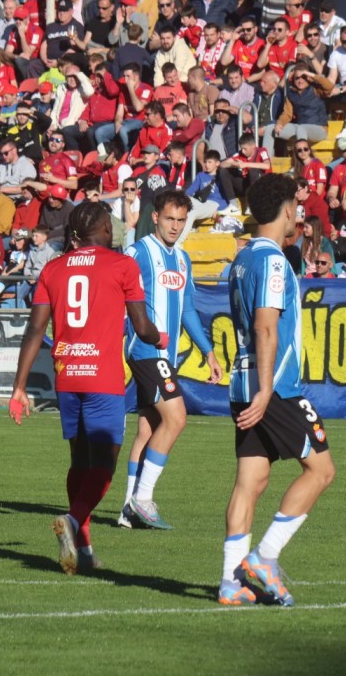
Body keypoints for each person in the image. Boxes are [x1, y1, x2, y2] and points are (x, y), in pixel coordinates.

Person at [8, 201, 163, 576]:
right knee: (105, 466)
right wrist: (159, 337)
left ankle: (85, 550)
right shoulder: (123, 264)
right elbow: (142, 326)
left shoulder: (53, 268)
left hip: (68, 377)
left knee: (79, 463)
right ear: (105, 230)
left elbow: (34, 330)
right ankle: (74, 520)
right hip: (103, 379)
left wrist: (19, 387)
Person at [219, 174, 335, 607]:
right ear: (287, 209)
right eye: (296, 206)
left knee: (250, 481)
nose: (299, 213)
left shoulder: (243, 258)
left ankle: (231, 582)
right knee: (321, 471)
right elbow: (266, 327)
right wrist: (268, 391)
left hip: (242, 380)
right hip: (276, 386)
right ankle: (264, 558)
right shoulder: (271, 260)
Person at [120, 190, 223, 530]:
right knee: (177, 417)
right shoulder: (137, 252)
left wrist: (208, 351)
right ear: (155, 217)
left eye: (181, 220)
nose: (175, 226)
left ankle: (127, 510)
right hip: (146, 349)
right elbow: (118, 299)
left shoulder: (182, 259)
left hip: (168, 355)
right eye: (169, 219)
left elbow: (189, 310)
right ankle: (143, 497)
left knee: (148, 427)